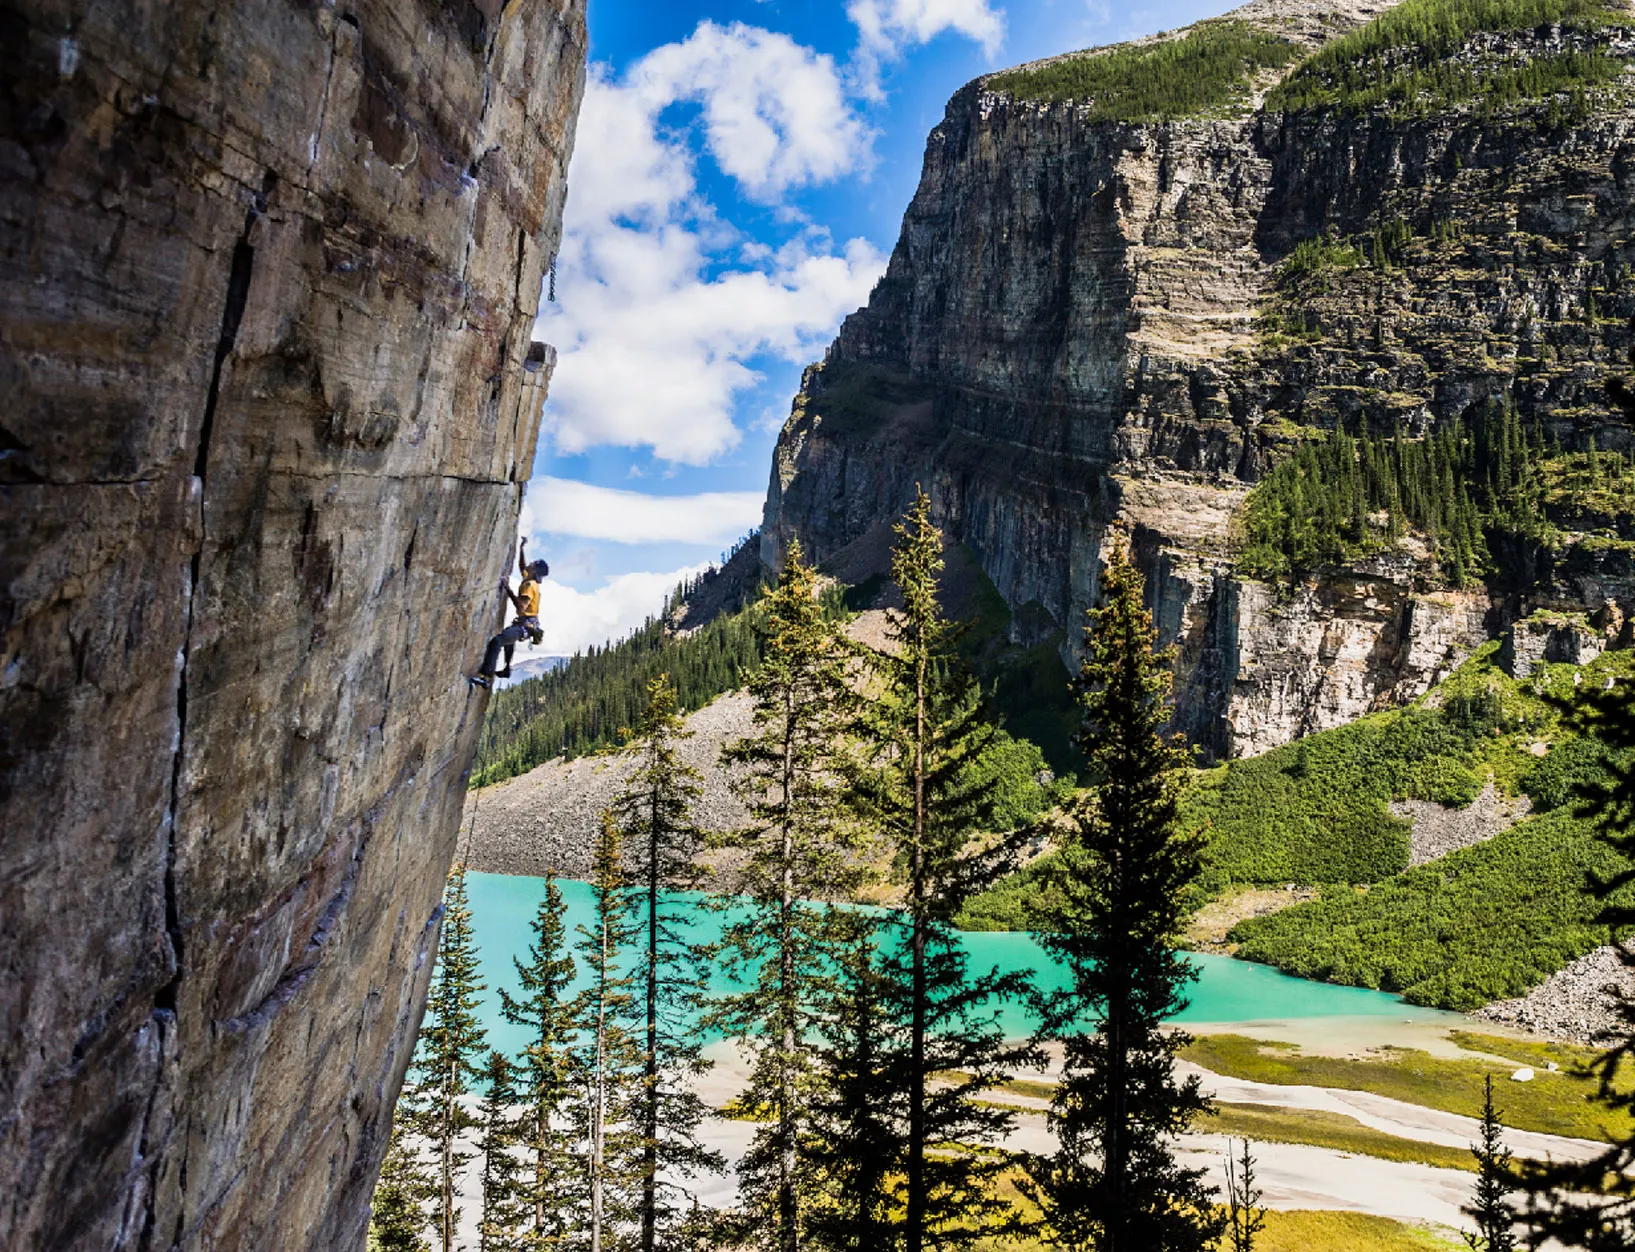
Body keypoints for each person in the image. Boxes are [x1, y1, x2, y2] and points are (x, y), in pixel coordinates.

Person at [471, 540, 547, 689]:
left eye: (532, 564)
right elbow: (521, 566)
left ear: (535, 570)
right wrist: (521, 549)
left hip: (525, 625)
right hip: (527, 624)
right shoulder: (530, 580)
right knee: (508, 639)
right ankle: (506, 669)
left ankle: (485, 677)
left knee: (497, 641)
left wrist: (507, 589)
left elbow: (521, 607)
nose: (529, 564)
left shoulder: (529, 585)